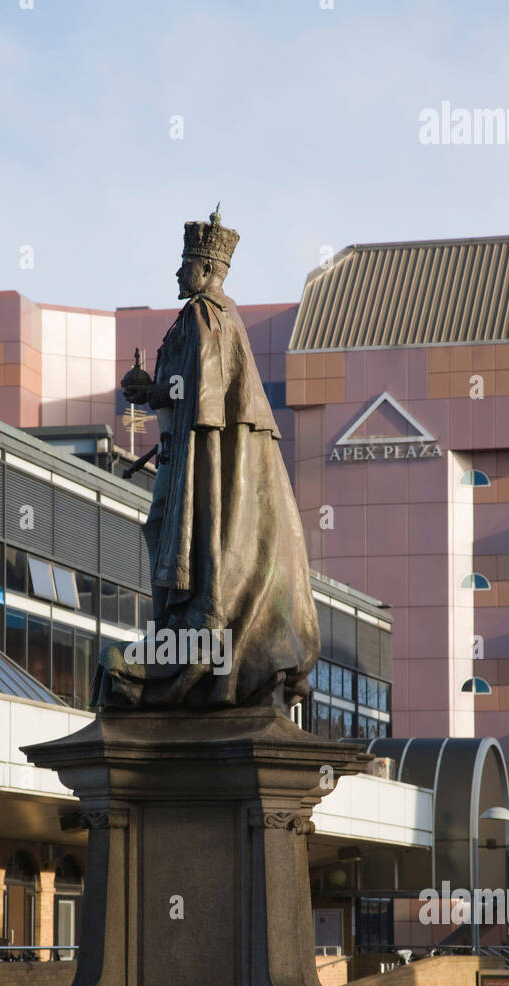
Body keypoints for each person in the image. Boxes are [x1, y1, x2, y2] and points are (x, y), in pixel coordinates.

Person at [93, 206, 319, 712]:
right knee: (173, 544)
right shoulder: (219, 319)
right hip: (187, 457)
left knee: (183, 545)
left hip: (191, 462)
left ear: (207, 269)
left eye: (185, 264)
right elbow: (196, 392)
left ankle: (192, 634)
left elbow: (202, 404)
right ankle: (184, 632)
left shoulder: (203, 316)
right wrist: (152, 393)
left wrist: (153, 393)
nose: (178, 272)